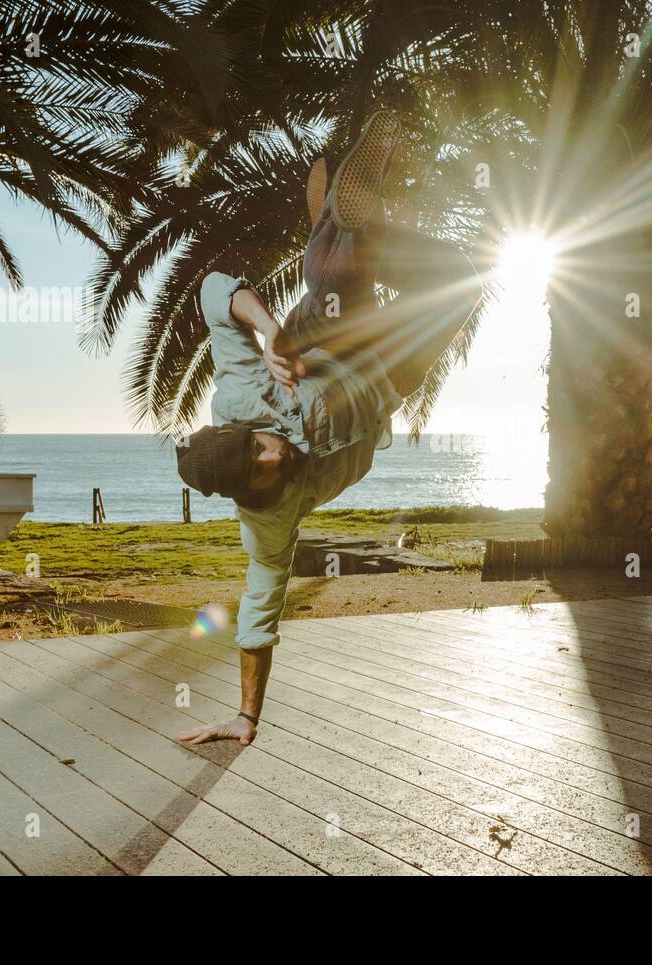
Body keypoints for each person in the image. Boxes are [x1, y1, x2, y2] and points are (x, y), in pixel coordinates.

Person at [176, 111, 482, 746]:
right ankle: (333, 227)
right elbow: (258, 618)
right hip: (386, 379)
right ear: (247, 495)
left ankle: (337, 231)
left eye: (262, 448)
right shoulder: (267, 524)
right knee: (462, 284)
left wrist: (270, 333)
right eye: (264, 475)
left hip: (324, 338)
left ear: (243, 429)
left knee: (336, 279)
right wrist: (245, 717)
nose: (277, 459)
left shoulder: (238, 393)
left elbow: (211, 291)